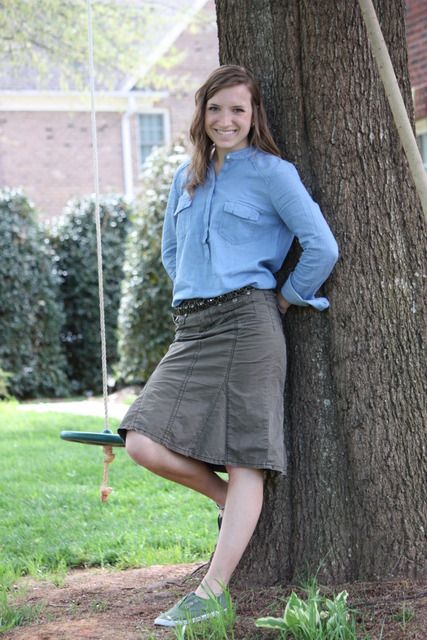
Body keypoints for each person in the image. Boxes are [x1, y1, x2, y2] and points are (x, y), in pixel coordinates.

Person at [118, 64, 338, 627]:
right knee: (141, 440)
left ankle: (212, 591)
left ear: (253, 115)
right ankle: (227, 505)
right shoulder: (185, 177)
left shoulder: (273, 173)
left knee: (247, 458)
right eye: (215, 108)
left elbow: (321, 246)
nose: (225, 120)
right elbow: (172, 253)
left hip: (249, 322)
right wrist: (196, 291)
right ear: (202, 114)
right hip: (192, 329)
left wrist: (285, 298)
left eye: (237, 109)